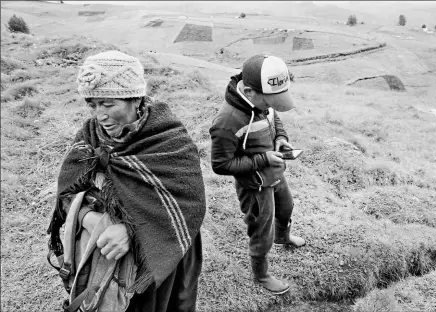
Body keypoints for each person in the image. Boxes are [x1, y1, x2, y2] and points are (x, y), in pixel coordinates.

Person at [47, 50, 206, 312]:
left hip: (161, 254)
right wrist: (91, 219)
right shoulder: (89, 135)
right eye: (93, 104)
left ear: (134, 98)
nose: (100, 115)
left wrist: (131, 231)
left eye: (108, 104)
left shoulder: (170, 140)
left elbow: (189, 205)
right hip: (107, 256)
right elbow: (65, 196)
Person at [209, 54, 305, 295]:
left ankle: (283, 237)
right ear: (250, 92)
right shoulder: (227, 121)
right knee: (261, 229)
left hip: (275, 172)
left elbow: (275, 119)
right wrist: (262, 159)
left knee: (286, 207)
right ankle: (261, 275)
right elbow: (220, 164)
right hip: (254, 186)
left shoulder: (264, 103)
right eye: (270, 101)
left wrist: (281, 139)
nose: (273, 106)